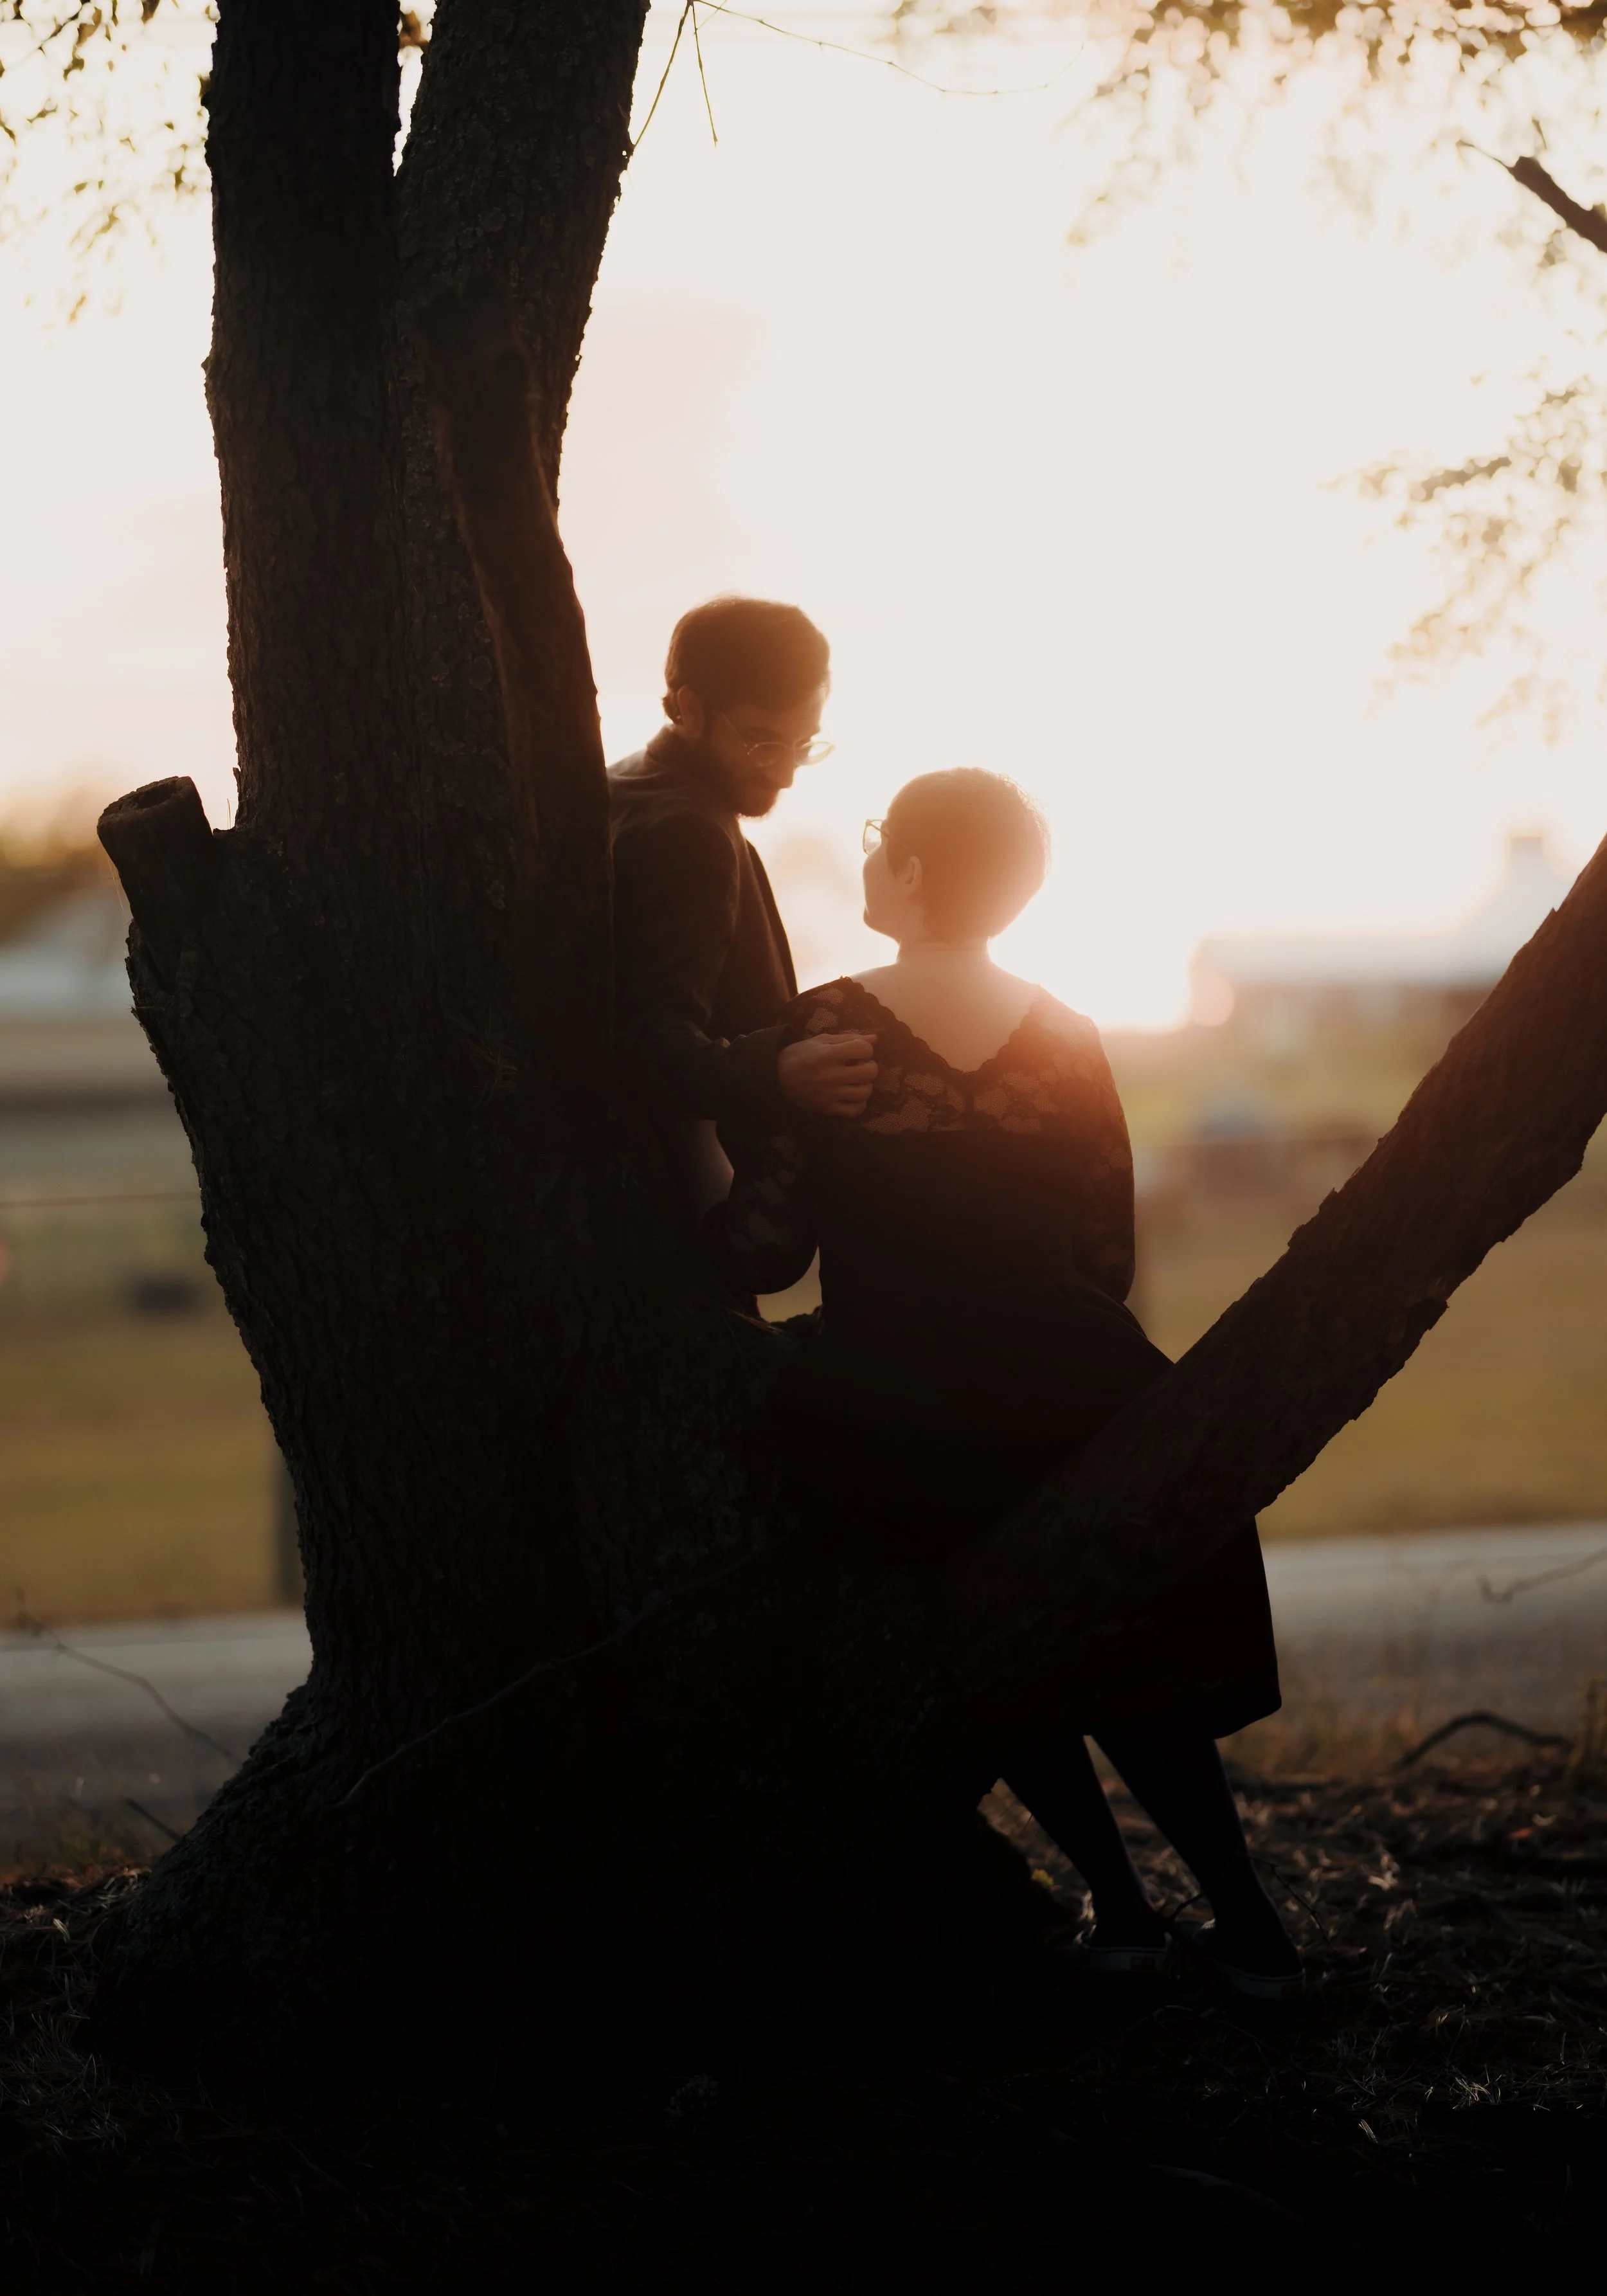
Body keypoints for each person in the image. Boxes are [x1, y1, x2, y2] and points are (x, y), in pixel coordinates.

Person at [706, 768, 1303, 1999]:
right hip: (1069, 1377)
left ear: (917, 870)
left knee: (978, 1634)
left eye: (879, 842)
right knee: (1120, 1635)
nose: (867, 860)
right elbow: (1105, 1254)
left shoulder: (831, 1028)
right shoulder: (1069, 1032)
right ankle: (1250, 1928)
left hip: (892, 1395)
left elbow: (765, 1252)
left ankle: (1123, 1910)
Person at [608, 597, 879, 1216]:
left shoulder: (622, 782)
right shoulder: (689, 832)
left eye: (802, 744)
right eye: (761, 742)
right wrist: (778, 1069)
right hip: (681, 1205)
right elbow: (648, 1043)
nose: (784, 775)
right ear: (689, 708)